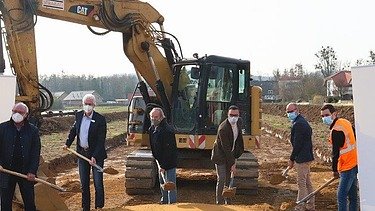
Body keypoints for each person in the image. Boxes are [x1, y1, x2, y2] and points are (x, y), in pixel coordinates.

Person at [64, 94, 107, 211]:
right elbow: (74, 130)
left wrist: (95, 156)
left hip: (96, 155)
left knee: (98, 183)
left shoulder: (100, 119)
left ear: (94, 105)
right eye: (86, 104)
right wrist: (67, 143)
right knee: (84, 184)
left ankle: (99, 206)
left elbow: (100, 140)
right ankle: (85, 207)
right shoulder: (78, 116)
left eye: (90, 104)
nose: (87, 106)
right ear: (83, 104)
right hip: (82, 154)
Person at [0, 102, 41, 211]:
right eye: (15, 111)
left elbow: (35, 153)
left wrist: (32, 171)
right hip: (6, 171)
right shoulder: (2, 128)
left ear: (26, 115)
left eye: (20, 112)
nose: (17, 114)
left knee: (29, 203)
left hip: (26, 172)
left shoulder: (33, 131)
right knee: (5, 204)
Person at [320, 104, 359, 211]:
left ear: (334, 114)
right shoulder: (345, 122)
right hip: (354, 162)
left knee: (341, 195)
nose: (324, 118)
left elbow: (335, 153)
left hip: (347, 166)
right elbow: (355, 136)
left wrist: (334, 170)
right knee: (353, 196)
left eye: (326, 115)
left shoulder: (336, 130)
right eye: (322, 116)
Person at [211, 105, 244, 205]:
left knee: (229, 179)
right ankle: (219, 203)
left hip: (231, 153)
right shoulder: (223, 129)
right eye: (231, 115)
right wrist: (232, 164)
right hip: (220, 155)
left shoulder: (239, 122)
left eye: (236, 115)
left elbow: (238, 139)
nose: (233, 117)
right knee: (222, 179)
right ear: (227, 115)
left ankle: (228, 201)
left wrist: (237, 154)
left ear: (239, 115)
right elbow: (226, 149)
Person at [286, 102, 315, 211]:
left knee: (301, 183)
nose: (289, 114)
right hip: (306, 156)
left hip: (302, 158)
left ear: (297, 110)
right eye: (288, 112)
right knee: (307, 182)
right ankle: (310, 205)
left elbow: (297, 144)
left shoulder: (298, 124)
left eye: (291, 111)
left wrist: (292, 158)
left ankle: (300, 207)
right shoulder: (301, 122)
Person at [149, 107, 177, 204]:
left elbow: (169, 150)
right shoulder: (152, 129)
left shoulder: (167, 130)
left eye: (156, 117)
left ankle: (172, 204)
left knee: (170, 184)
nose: (153, 119)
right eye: (152, 117)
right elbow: (153, 145)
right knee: (162, 182)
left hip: (169, 162)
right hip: (159, 160)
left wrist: (164, 166)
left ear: (161, 117)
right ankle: (164, 201)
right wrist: (156, 159)